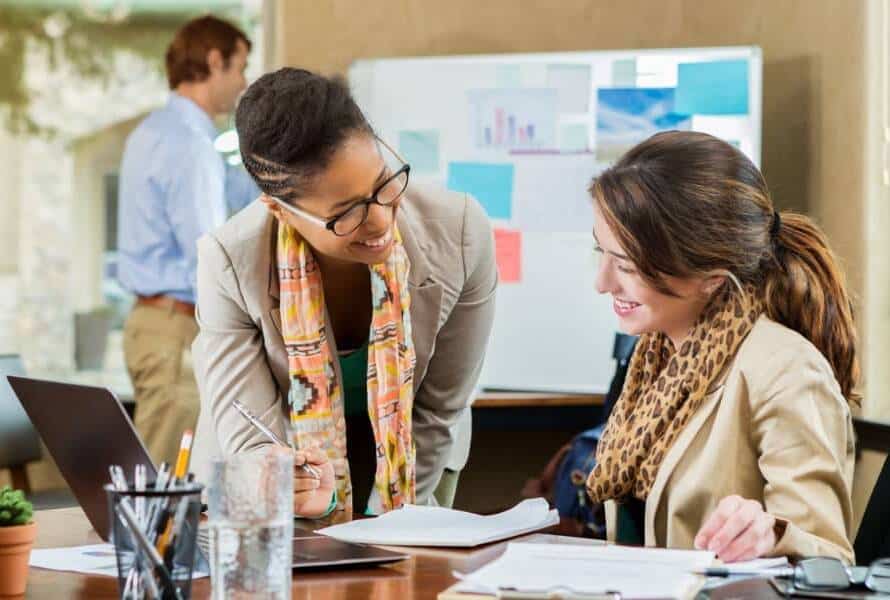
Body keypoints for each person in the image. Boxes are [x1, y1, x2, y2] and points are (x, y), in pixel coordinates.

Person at [189, 68, 497, 516]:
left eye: (383, 184)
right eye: (346, 213)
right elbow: (254, 439)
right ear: (279, 210)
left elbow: (437, 411)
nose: (380, 221)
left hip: (412, 461)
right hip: (282, 465)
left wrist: (385, 524)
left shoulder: (461, 233)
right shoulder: (229, 261)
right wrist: (299, 489)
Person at [585, 131, 858, 562]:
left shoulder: (786, 370)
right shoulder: (654, 359)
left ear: (712, 275)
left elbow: (829, 559)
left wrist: (771, 535)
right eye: (600, 253)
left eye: (626, 265)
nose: (601, 283)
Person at [117, 15, 252, 467]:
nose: (243, 82)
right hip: (174, 329)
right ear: (214, 61)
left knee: (162, 478)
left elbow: (231, 198)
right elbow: (207, 253)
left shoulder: (157, 131)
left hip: (154, 324)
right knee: (161, 486)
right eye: (240, 68)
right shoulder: (189, 144)